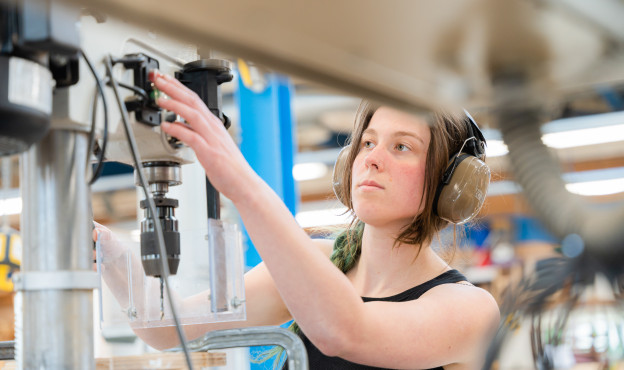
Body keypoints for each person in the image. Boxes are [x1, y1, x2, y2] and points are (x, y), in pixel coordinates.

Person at [94, 71, 500, 369]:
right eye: (369, 142)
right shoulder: (320, 262)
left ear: (452, 184)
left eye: (402, 147)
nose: (372, 158)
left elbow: (343, 331)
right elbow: (167, 327)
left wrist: (242, 183)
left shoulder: (468, 310)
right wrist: (106, 248)